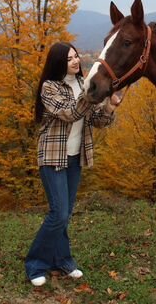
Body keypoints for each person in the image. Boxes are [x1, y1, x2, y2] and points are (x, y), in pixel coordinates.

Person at [25, 41, 120, 286]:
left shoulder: (81, 84)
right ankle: (35, 264)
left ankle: (63, 260)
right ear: (59, 62)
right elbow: (69, 113)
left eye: (76, 56)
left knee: (65, 214)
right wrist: (90, 95)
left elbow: (96, 121)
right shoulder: (50, 87)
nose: (76, 61)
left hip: (75, 157)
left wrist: (109, 106)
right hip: (52, 156)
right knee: (58, 213)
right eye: (69, 58)